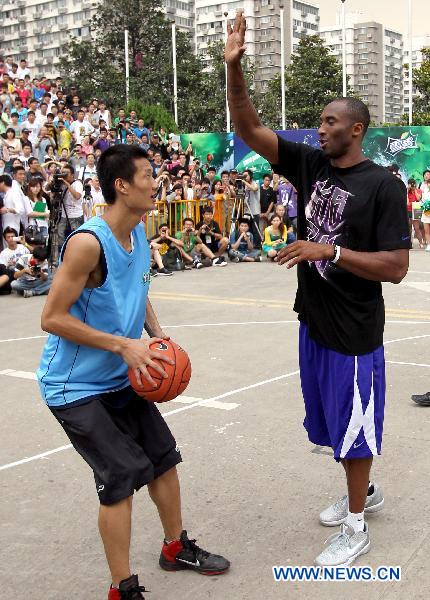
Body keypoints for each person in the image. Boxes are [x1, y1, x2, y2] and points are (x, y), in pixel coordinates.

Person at [226, 10, 409, 567]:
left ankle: (356, 526)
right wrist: (234, 68)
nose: (319, 128)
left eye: (330, 121)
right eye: (319, 121)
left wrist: (328, 250)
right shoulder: (309, 164)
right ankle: (366, 492)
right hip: (315, 321)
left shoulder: (383, 185)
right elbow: (246, 129)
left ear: (356, 129)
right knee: (333, 427)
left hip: (354, 331)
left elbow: (397, 266)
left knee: (355, 429)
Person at [36, 145, 229, 598]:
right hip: (74, 386)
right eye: (147, 175)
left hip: (120, 376)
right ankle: (122, 587)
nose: (155, 182)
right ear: (122, 185)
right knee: (121, 474)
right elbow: (52, 317)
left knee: (163, 456)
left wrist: (158, 338)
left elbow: (136, 289)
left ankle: (175, 547)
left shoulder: (138, 233)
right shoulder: (88, 243)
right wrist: (125, 345)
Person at [0, 226, 28, 295]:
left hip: (25, 272)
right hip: (12, 274)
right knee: (10, 269)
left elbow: (37, 254)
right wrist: (9, 264)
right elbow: (4, 269)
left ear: (16, 237)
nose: (10, 239)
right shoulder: (3, 253)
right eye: (8, 237)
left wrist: (25, 243)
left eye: (12, 236)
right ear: (5, 239)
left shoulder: (23, 247)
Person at [407, 178, 424, 248]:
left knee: (417, 228)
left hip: (417, 209)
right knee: (409, 227)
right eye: (411, 184)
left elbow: (418, 199)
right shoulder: (406, 191)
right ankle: (408, 243)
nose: (412, 185)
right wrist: (407, 191)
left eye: (413, 183)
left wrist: (415, 190)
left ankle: (421, 243)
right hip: (408, 210)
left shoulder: (419, 190)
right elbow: (407, 203)